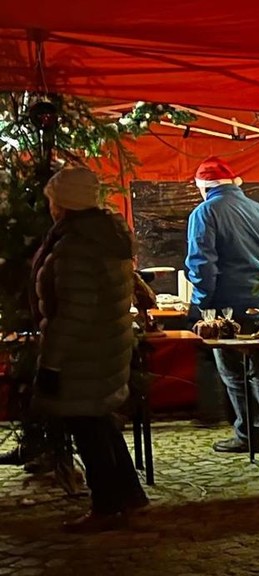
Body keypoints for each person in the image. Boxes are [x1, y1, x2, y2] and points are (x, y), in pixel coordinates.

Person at [30, 166, 147, 531]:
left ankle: (107, 506)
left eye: (52, 199)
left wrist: (51, 365)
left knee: (88, 427)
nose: (50, 206)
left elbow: (73, 315)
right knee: (101, 422)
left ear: (63, 204)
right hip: (105, 348)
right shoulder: (105, 237)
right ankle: (129, 494)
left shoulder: (76, 247)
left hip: (84, 355)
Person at [185, 156, 259, 453]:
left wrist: (199, 307)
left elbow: (203, 266)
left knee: (235, 374)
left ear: (204, 186)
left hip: (227, 308)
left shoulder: (205, 213)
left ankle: (248, 434)